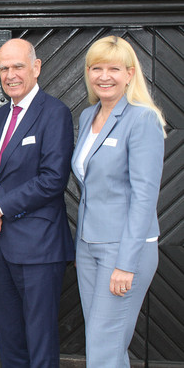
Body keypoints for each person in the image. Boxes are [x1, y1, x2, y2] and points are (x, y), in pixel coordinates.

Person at [0, 38, 75, 367]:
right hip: (2, 244)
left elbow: (52, 179)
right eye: (3, 68)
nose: (10, 74)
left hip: (40, 248)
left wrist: (0, 207)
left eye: (18, 66)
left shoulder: (54, 113)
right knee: (10, 337)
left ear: (36, 67)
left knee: (39, 338)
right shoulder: (1, 116)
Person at [72, 36, 165, 367]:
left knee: (103, 345)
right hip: (88, 245)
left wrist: (126, 263)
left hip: (125, 249)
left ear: (129, 74)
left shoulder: (143, 119)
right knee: (105, 344)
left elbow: (144, 196)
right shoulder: (88, 117)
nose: (104, 76)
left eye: (114, 68)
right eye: (96, 68)